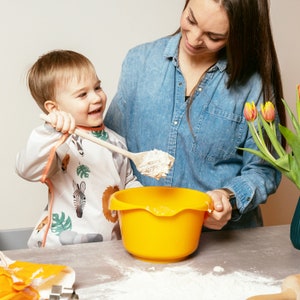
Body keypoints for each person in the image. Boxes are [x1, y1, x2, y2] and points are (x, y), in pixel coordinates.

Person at [105, 0, 286, 231]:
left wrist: (227, 196)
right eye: (191, 20)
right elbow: (108, 146)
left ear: (238, 35)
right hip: (144, 232)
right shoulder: (139, 62)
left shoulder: (253, 87)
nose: (193, 38)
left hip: (220, 246)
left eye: (213, 36)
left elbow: (264, 170)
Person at [16, 50, 142, 248]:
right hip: (60, 247)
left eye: (97, 87)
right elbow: (27, 168)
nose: (96, 98)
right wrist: (50, 132)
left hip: (107, 244)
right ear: (54, 108)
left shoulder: (115, 140)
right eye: (82, 94)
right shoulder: (59, 142)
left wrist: (142, 198)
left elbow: (126, 181)